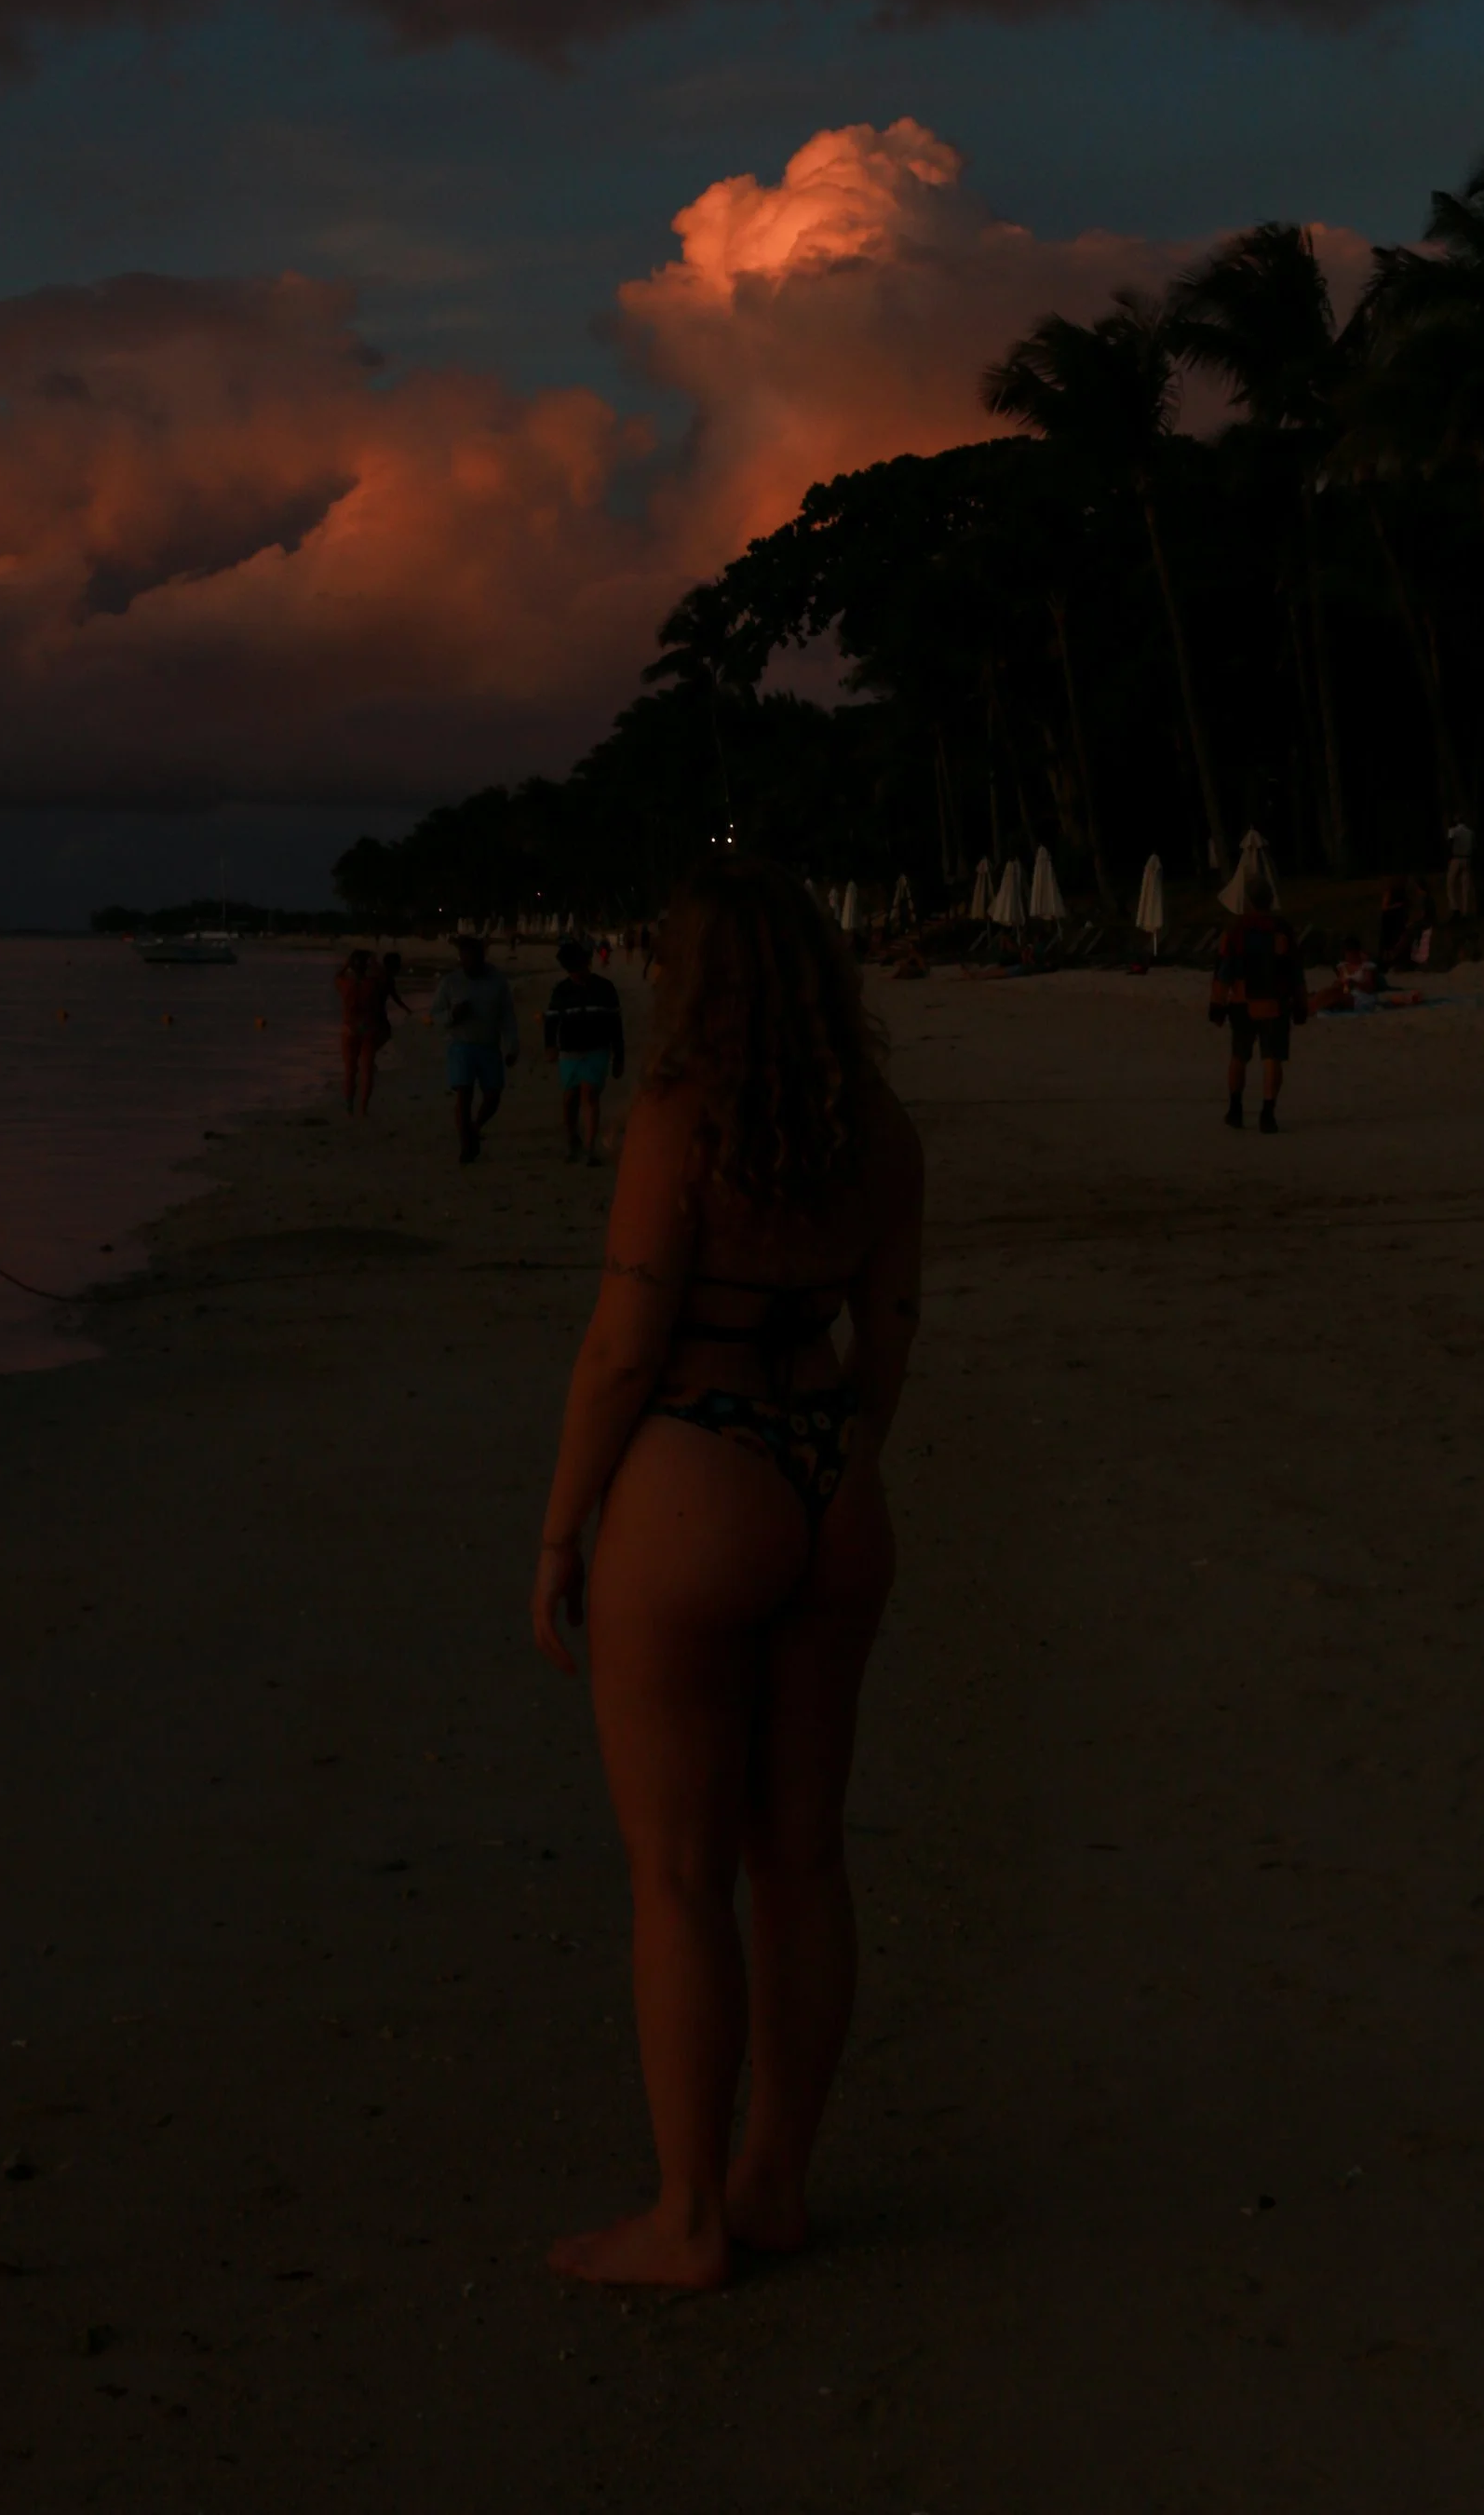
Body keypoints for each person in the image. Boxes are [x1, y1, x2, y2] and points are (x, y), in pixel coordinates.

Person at [531, 858, 924, 2291]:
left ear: (690, 980)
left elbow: (625, 1348)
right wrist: (838, 1458)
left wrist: (561, 1529)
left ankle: (687, 2216)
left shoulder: (678, 1119)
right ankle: (772, 2183)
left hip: (695, 1468)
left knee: (681, 1874)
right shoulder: (877, 1129)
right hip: (828, 1481)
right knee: (803, 1855)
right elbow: (886, 1341)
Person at [1208, 870, 1309, 1130]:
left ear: (1249, 901)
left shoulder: (1236, 930)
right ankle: (1267, 1113)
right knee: (1272, 1058)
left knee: (1239, 1056)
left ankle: (1235, 1108)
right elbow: (1295, 971)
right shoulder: (1283, 930)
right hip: (1274, 1003)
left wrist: (1217, 1004)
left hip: (1242, 1002)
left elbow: (1224, 971)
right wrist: (1301, 1003)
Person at [428, 933, 519, 1159]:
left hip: (489, 1045)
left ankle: (475, 1126)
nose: (469, 964)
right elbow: (435, 1015)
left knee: (493, 1095)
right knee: (464, 1096)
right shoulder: (450, 982)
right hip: (461, 1046)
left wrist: (511, 1046)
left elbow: (507, 1016)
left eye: (474, 959)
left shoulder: (497, 981)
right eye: (465, 959)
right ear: (460, 959)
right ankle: (466, 1146)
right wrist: (452, 1015)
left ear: (482, 957)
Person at [544, 934, 626, 1163]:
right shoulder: (561, 991)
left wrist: (619, 1056)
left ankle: (590, 1148)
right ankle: (572, 1137)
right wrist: (549, 1046)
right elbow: (551, 1020)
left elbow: (615, 1025)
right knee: (570, 1097)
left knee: (590, 1094)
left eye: (578, 967)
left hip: (597, 1049)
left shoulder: (605, 989)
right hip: (569, 1051)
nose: (575, 973)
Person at [334, 946, 389, 1114]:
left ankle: (349, 1106)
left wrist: (345, 965)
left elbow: (337, 976)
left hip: (349, 1029)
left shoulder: (345, 984)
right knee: (367, 1070)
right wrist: (375, 964)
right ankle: (363, 1108)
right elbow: (384, 979)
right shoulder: (372, 985)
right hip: (368, 1029)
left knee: (350, 1070)